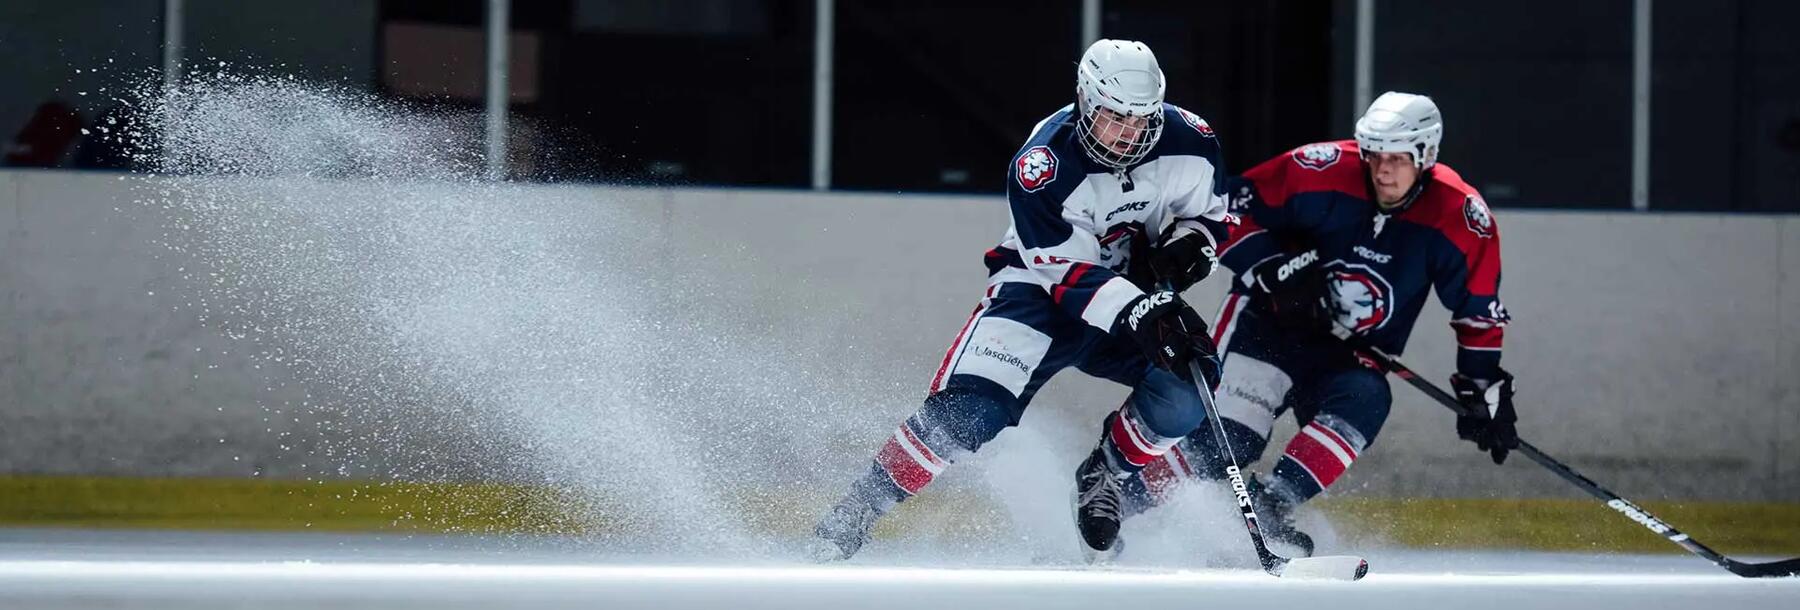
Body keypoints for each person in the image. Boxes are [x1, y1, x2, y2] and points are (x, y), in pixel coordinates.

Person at [807, 39, 1235, 562]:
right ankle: (856, 510)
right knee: (968, 413)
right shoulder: (1043, 163)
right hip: (1037, 294)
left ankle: (1107, 474)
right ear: (1084, 99)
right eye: (1113, 118)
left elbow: (1211, 215)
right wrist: (1140, 309)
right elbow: (1063, 271)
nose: (1127, 135)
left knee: (1190, 383)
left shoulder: (1192, 139)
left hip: (1132, 289)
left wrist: (1193, 246)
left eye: (1141, 120)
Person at [1109, 91, 1517, 555]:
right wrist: (1272, 267)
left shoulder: (1460, 218)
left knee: (1366, 398)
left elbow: (1477, 313)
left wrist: (1481, 389)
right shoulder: (1318, 170)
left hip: (1350, 350)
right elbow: (1226, 208)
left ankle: (1268, 508)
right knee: (1228, 441)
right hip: (1266, 326)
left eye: (1399, 159)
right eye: (1375, 156)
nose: (1383, 170)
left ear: (1426, 156)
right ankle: (1111, 505)